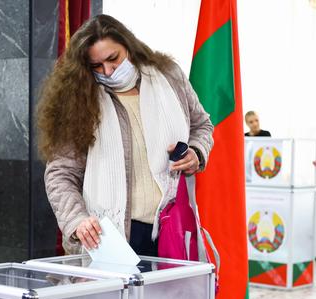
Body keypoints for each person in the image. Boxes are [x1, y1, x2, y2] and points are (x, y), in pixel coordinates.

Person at [37, 14, 214, 256]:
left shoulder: (169, 77)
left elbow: (201, 124)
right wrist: (77, 219)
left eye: (113, 59)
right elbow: (60, 173)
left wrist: (196, 152)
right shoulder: (78, 99)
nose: (108, 71)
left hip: (172, 226)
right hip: (111, 239)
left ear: (129, 46)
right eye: (96, 66)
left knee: (171, 295)